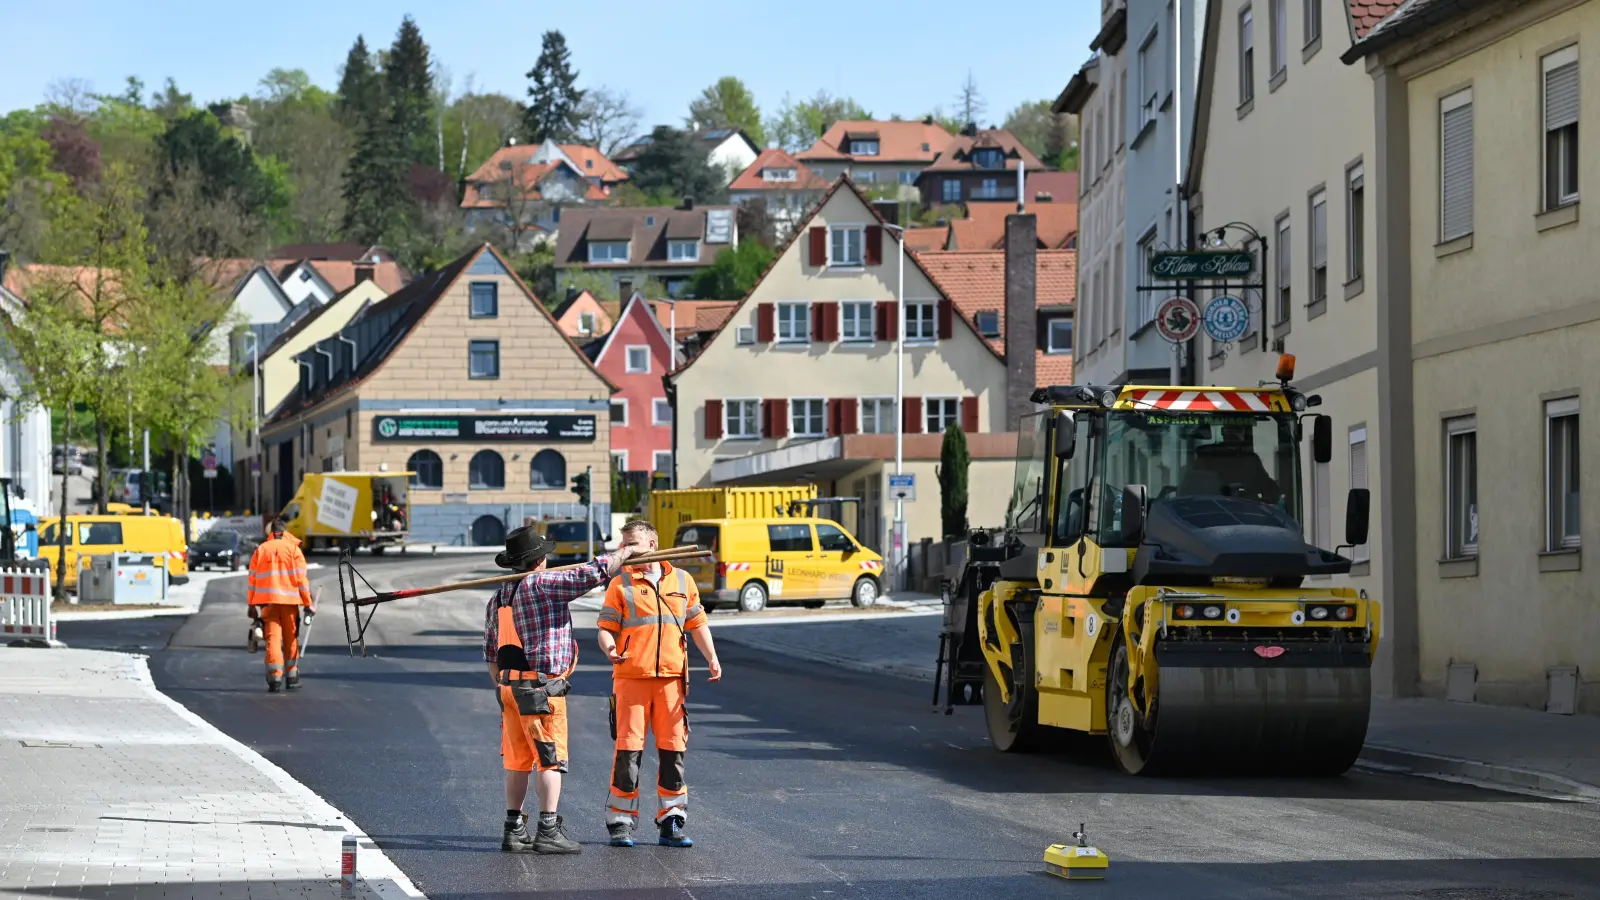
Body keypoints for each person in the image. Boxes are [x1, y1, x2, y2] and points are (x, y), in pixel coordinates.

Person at [486, 525, 642, 855]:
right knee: (550, 760)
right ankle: (547, 829)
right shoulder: (542, 583)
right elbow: (589, 575)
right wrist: (626, 552)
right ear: (539, 560)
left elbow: (490, 653)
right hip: (539, 687)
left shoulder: (499, 596)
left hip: (508, 687)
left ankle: (514, 829)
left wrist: (503, 687)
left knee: (517, 761)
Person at [597, 519, 722, 849]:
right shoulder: (620, 583)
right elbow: (606, 628)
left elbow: (697, 623)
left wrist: (711, 657)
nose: (625, 550)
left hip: (671, 681)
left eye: (632, 544)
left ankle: (672, 820)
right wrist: (610, 648)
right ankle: (621, 822)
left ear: (652, 545)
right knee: (628, 753)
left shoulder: (682, 580)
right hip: (631, 680)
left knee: (673, 751)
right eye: (623, 544)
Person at [246, 519, 315, 693]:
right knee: (291, 639)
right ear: (285, 532)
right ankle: (292, 676)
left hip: (268, 603)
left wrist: (251, 604)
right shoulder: (294, 550)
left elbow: (252, 580)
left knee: (273, 639)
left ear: (270, 533)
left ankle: (274, 678)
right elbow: (302, 580)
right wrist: (308, 604)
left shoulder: (261, 550)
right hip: (290, 604)